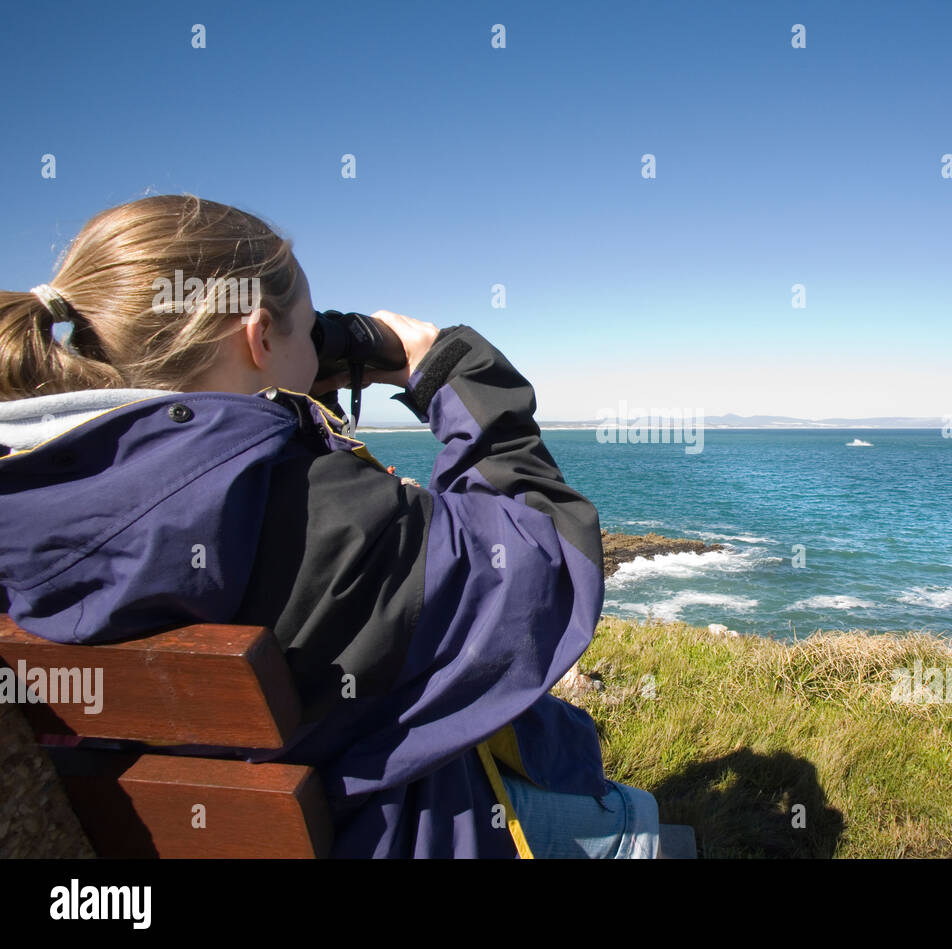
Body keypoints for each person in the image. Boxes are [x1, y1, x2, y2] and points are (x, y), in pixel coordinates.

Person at [0, 194, 659, 858]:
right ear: (258, 335)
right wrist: (452, 371)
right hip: (373, 835)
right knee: (640, 819)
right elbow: (541, 565)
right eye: (306, 329)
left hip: (176, 838)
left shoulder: (33, 494)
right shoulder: (305, 517)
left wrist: (285, 407)